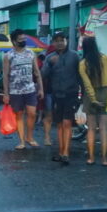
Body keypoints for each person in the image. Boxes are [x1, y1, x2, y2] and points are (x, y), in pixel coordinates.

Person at [41, 32, 81, 164]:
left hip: (71, 94)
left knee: (67, 123)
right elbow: (43, 74)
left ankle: (66, 153)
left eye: (62, 40)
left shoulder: (75, 56)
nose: (59, 43)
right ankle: (61, 151)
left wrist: (84, 95)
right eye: (56, 41)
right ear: (53, 42)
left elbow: (81, 75)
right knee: (58, 124)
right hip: (56, 95)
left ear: (67, 41)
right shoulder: (50, 57)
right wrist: (50, 64)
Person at [2, 29, 44, 150]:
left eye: (24, 39)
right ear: (14, 41)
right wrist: (6, 94)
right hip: (15, 91)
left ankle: (29, 137)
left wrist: (41, 88)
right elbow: (5, 76)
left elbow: (37, 72)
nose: (23, 41)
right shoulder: (8, 56)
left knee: (32, 113)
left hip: (30, 89)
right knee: (19, 116)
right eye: (20, 40)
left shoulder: (31, 53)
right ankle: (21, 141)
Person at [79, 36, 107, 166]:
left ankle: (91, 158)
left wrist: (93, 99)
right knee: (104, 129)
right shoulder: (106, 59)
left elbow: (87, 84)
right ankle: (105, 159)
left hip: (91, 95)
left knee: (91, 129)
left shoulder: (83, 63)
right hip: (106, 93)